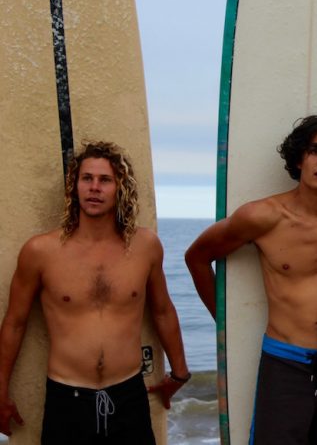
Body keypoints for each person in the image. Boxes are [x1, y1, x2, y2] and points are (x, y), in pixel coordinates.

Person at [185, 114, 317, 444]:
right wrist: (224, 324)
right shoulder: (262, 217)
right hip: (284, 358)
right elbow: (198, 258)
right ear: (299, 157)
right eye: (315, 151)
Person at [0, 141, 189, 443]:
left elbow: (163, 309)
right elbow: (15, 322)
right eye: (87, 178)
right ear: (75, 187)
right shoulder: (41, 251)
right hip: (67, 400)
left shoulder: (145, 247)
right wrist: (1, 391)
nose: (94, 188)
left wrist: (180, 373)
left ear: (120, 188)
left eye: (105, 180)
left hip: (128, 394)